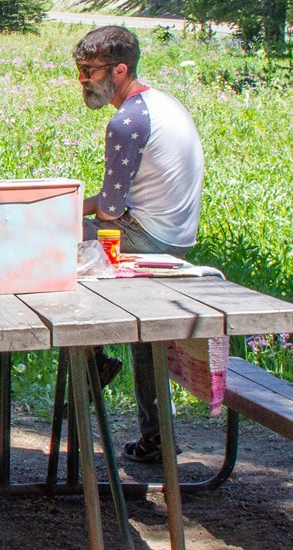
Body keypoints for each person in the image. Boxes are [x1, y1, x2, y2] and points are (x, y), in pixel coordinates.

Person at [74, 25, 205, 463]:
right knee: (145, 336)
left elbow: (109, 209)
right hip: (178, 236)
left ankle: (89, 358)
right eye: (80, 70)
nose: (83, 80)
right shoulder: (161, 103)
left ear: (120, 69)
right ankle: (156, 434)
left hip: (149, 237)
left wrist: (63, 210)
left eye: (89, 71)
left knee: (48, 244)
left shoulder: (126, 120)